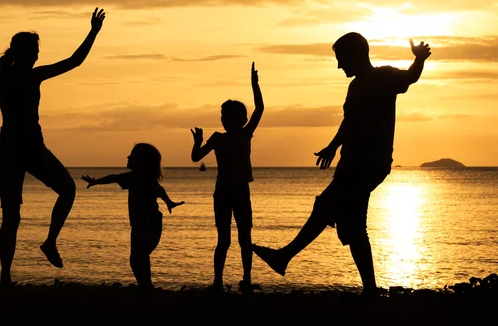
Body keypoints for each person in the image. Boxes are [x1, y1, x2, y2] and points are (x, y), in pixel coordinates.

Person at [253, 33, 431, 295]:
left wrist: (419, 60)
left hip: (368, 164)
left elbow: (410, 78)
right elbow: (349, 123)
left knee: (326, 206)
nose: (339, 66)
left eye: (341, 59)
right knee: (354, 228)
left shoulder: (383, 77)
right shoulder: (355, 87)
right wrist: (332, 146)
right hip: (352, 162)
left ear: (355, 55)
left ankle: (284, 256)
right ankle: (369, 289)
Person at [0, 8, 106, 286]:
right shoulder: (17, 77)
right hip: (16, 151)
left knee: (50, 197)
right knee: (16, 214)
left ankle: (41, 249)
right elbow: (74, 62)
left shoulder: (12, 77)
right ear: (21, 52)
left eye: (38, 51)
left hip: (26, 149)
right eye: (34, 50)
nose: (38, 55)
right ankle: (10, 272)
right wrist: (93, 32)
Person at [190, 62, 264, 294]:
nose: (223, 120)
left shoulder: (244, 133)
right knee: (224, 240)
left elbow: (260, 108)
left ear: (239, 119)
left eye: (227, 117)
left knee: (244, 239)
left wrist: (254, 85)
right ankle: (218, 282)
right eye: (222, 116)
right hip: (224, 192)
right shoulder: (217, 138)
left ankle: (246, 280)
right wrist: (198, 141)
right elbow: (195, 157)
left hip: (239, 191)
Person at [81, 143, 184, 291]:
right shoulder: (138, 177)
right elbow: (116, 178)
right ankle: (146, 285)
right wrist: (169, 202)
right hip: (144, 223)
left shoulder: (138, 177)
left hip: (147, 224)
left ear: (142, 160)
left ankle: (146, 286)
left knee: (138, 258)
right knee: (139, 257)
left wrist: (96, 181)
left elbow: (115, 178)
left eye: (132, 155)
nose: (128, 157)